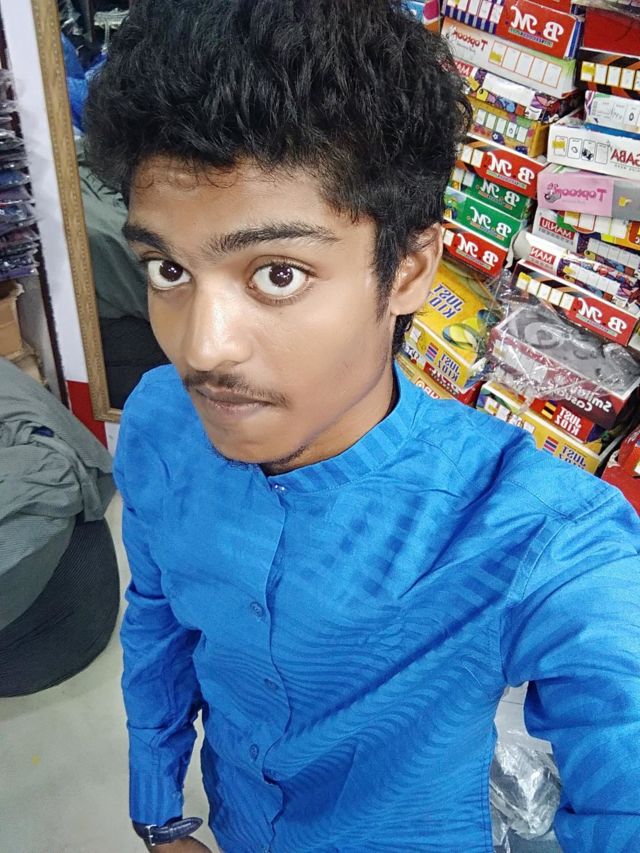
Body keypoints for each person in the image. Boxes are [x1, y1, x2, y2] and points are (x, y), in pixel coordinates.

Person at [84, 1, 640, 850]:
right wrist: (161, 811)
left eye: (277, 273)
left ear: (409, 269)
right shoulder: (162, 422)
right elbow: (158, 616)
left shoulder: (534, 531)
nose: (202, 347)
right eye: (168, 269)